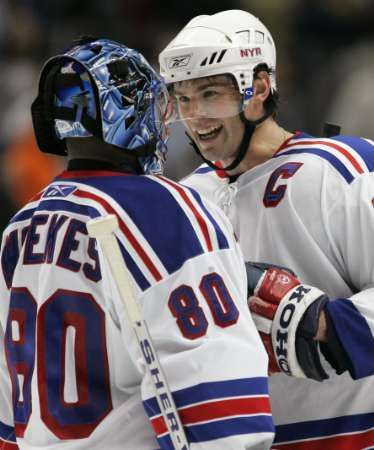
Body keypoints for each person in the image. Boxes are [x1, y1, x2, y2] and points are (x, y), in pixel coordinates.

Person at [0, 37, 275, 450]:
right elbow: (222, 411)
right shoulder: (164, 207)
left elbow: (9, 408)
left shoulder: (19, 228)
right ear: (128, 113)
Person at [159, 9, 374, 449]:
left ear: (257, 88)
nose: (196, 116)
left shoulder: (342, 170)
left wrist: (325, 323)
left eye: (210, 93)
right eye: (183, 99)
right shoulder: (183, 199)